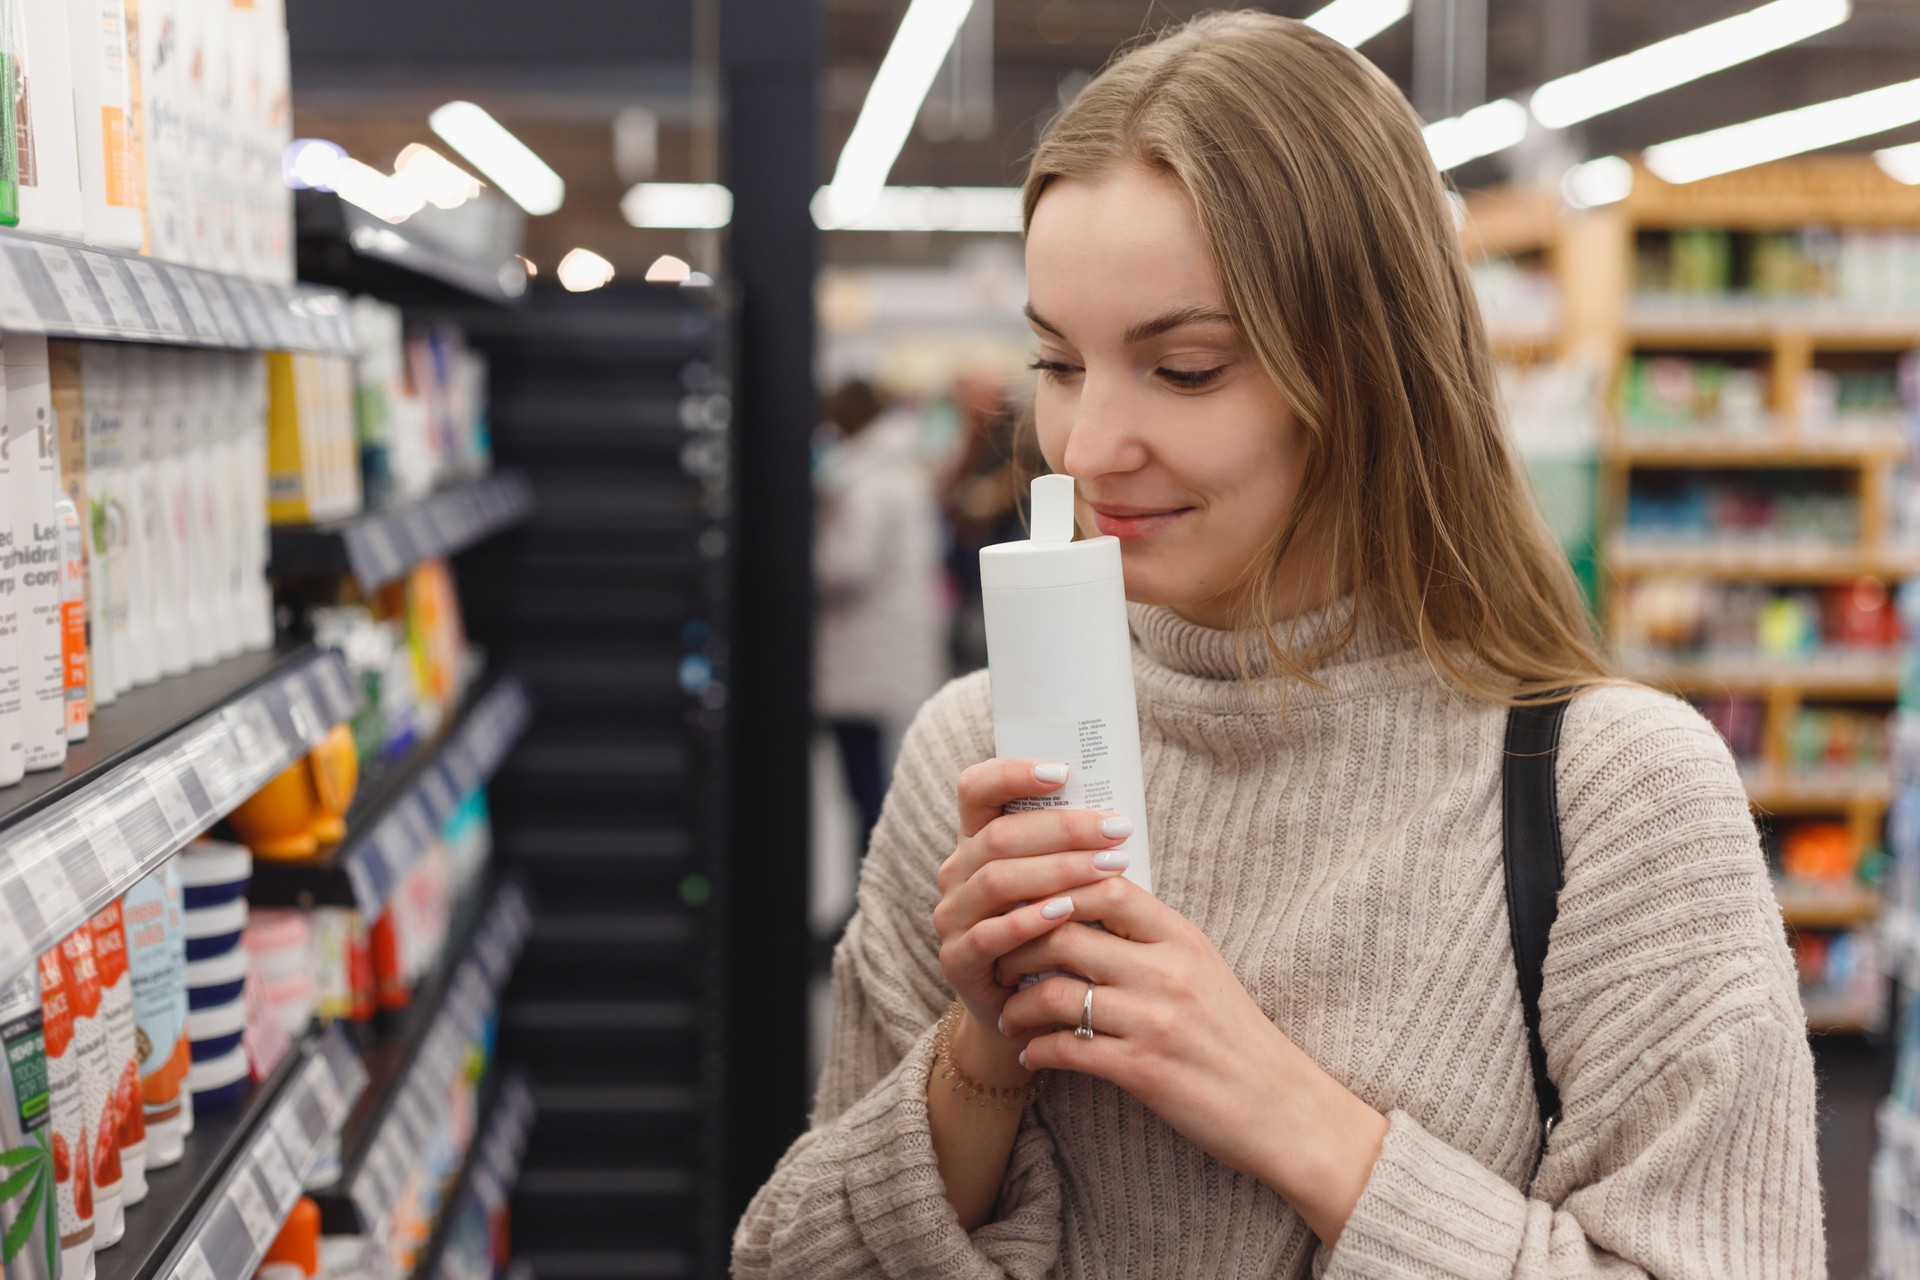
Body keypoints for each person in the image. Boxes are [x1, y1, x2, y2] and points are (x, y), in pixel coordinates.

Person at [737, 12, 1821, 1278]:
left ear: (1369, 369)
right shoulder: (973, 750)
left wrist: (1293, 1116)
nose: (1086, 448)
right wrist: (977, 1064)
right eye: (1058, 361)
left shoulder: (1614, 793)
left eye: (1183, 367)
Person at [814, 379, 948, 855]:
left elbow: (848, 565)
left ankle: (867, 892)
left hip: (862, 650)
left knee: (865, 788)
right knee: (878, 781)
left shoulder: (864, 481)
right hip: (888, 645)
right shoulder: (900, 471)